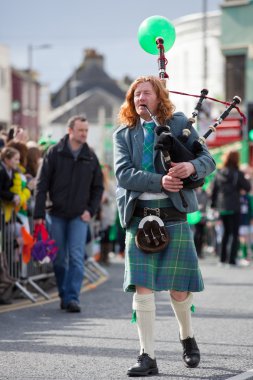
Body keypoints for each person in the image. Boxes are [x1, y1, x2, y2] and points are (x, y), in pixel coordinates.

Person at [113, 75, 216, 376]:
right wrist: (161, 181)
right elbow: (124, 174)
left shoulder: (180, 125)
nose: (140, 98)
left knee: (178, 289)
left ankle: (187, 338)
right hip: (140, 216)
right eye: (135, 95)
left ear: (158, 98)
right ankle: (147, 356)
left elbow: (207, 160)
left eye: (146, 93)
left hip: (173, 215)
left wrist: (190, 167)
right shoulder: (124, 134)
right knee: (142, 288)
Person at [33, 115, 104, 313]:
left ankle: (73, 297)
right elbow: (41, 183)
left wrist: (90, 210)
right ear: (70, 131)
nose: (84, 134)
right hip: (55, 214)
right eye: (81, 130)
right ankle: (64, 293)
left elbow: (98, 187)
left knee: (75, 257)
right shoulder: (54, 152)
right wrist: (38, 213)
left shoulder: (90, 155)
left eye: (86, 130)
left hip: (79, 216)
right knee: (59, 258)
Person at [211, 150, 251, 266]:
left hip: (222, 207)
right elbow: (247, 187)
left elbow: (214, 191)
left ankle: (222, 259)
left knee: (225, 232)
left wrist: (214, 205)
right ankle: (231, 260)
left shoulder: (219, 173)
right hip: (234, 206)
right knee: (234, 233)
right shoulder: (238, 174)